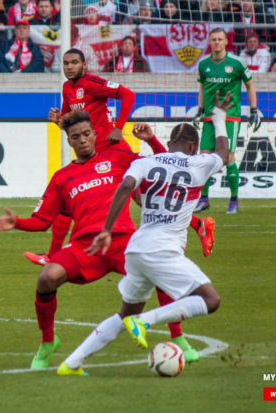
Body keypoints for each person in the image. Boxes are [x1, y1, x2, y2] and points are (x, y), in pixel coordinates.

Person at [0, 109, 183, 369]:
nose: (82, 140)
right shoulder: (61, 178)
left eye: (86, 134)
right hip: (85, 246)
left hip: (123, 241)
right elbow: (43, 221)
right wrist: (18, 223)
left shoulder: (118, 158)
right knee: (47, 278)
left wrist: (151, 140)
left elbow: (165, 166)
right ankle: (48, 341)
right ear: (68, 141)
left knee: (158, 272)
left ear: (94, 134)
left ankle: (179, 339)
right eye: (76, 136)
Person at [57, 93, 231, 376]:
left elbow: (125, 187)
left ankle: (71, 363)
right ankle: (147, 321)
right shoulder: (200, 164)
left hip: (136, 249)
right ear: (192, 146)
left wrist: (106, 229)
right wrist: (219, 119)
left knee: (125, 314)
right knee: (210, 300)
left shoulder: (145, 163)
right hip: (163, 249)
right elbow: (224, 154)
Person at [27, 48, 215, 266]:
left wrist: (118, 128)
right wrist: (58, 121)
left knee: (146, 184)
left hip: (113, 151)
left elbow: (128, 94)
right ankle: (198, 224)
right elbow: (70, 124)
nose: (69, 67)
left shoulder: (91, 83)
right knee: (133, 196)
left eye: (74, 63)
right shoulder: (67, 88)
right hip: (95, 156)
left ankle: (53, 255)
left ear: (84, 65)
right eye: (66, 63)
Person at [193, 27, 260, 214]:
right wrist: (199, 110)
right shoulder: (203, 64)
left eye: (220, 39)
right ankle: (204, 198)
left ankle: (233, 199)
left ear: (226, 42)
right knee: (204, 158)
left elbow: (250, 85)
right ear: (209, 41)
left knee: (228, 157)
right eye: (213, 39)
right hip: (208, 117)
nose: (216, 42)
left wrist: (254, 110)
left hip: (230, 116)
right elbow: (201, 88)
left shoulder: (237, 63)